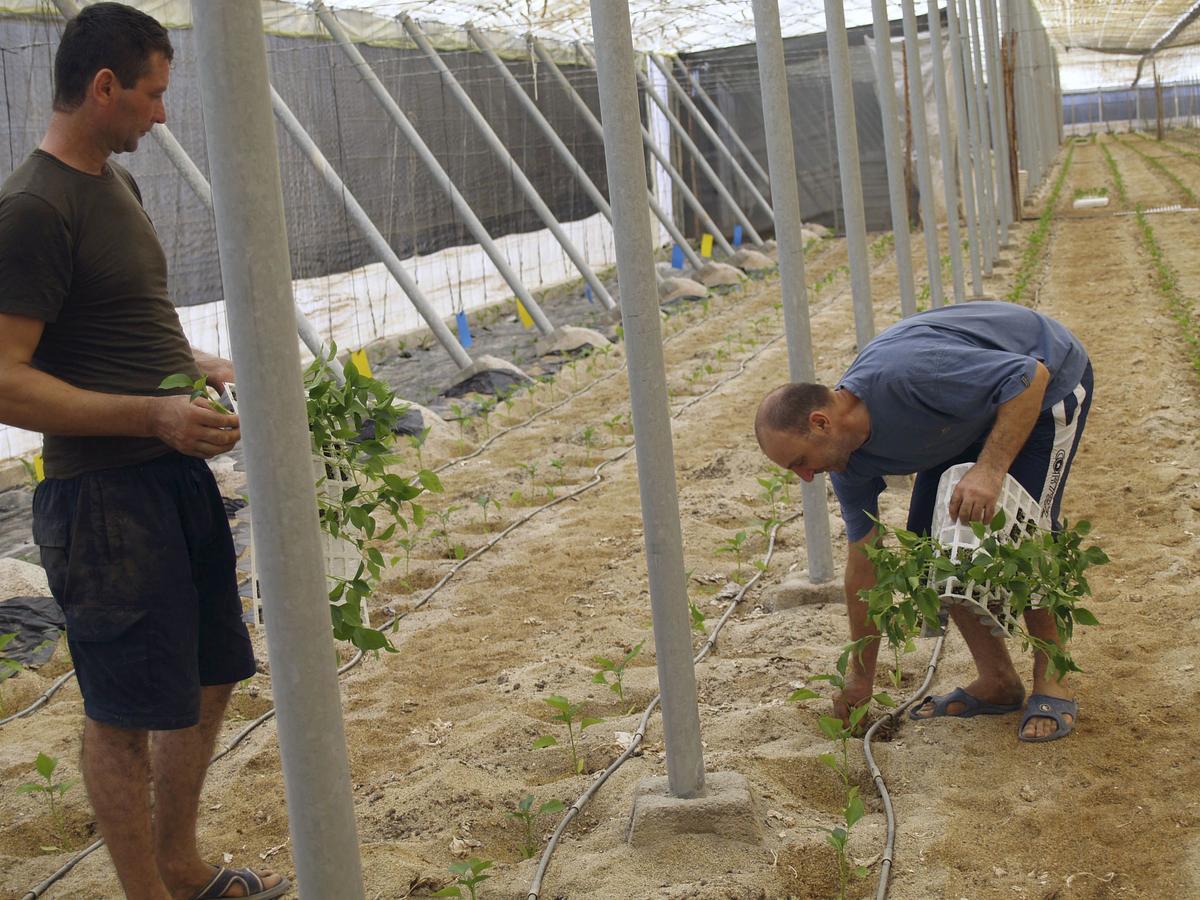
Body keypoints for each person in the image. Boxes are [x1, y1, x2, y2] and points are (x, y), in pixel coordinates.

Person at [0, 4, 288, 898]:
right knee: (123, 711)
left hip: (169, 476)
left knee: (210, 676)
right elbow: (6, 378)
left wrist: (193, 366)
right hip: (102, 499)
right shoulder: (33, 209)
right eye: (154, 96)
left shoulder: (111, 186)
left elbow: (115, 319)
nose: (162, 117)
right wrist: (149, 415)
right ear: (104, 87)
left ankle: (180, 865)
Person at [755, 300, 1092, 744]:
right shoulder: (846, 463)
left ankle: (1052, 681)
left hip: (1046, 384)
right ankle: (998, 682)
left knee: (1027, 533)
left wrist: (989, 472)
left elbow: (1029, 376)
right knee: (932, 549)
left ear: (820, 423)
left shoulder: (909, 376)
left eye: (800, 462)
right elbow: (864, 567)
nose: (804, 476)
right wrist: (861, 679)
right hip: (965, 413)